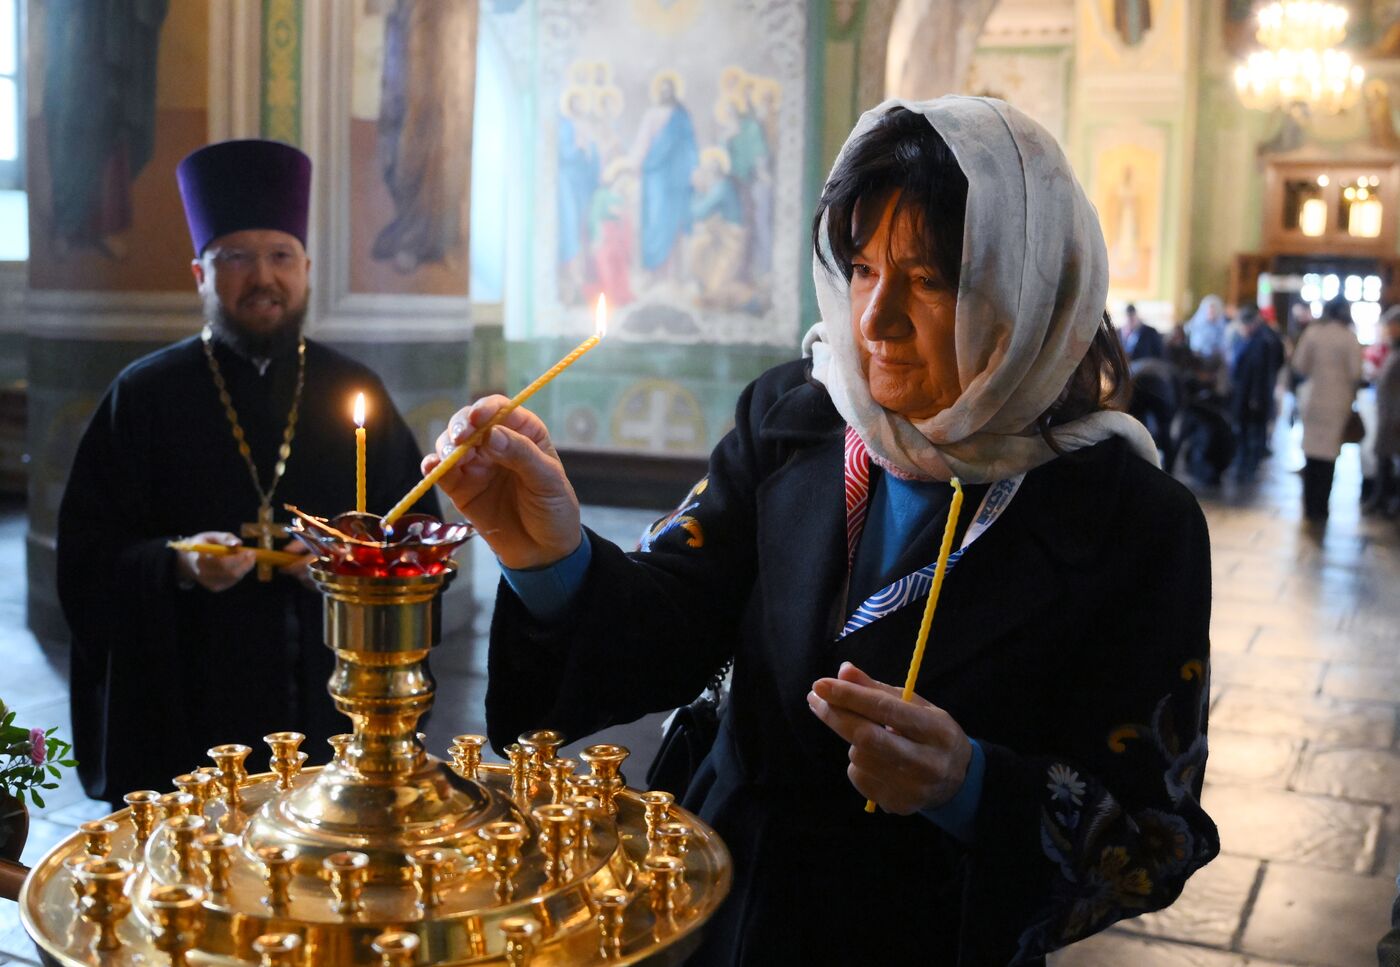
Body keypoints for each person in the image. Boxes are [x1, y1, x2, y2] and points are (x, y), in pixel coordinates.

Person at [429, 99, 1217, 964]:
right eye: (863, 267)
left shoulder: (1130, 522)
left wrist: (970, 784)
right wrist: (547, 551)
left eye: (926, 280)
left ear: (1027, 290)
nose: (874, 320)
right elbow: (672, 621)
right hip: (727, 912)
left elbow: (1152, 835)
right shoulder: (796, 419)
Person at [56, 140, 439, 808]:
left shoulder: (356, 390)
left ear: (308, 269)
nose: (262, 276)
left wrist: (345, 562)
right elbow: (87, 557)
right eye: (235, 257)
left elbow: (418, 537)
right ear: (200, 274)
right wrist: (175, 563)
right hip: (187, 708)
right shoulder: (143, 396)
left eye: (280, 256)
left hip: (327, 704)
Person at [1292, 297, 1363, 523]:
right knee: (1329, 456)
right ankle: (1321, 507)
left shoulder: (1314, 333)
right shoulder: (1349, 338)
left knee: (1312, 454)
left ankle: (1309, 504)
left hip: (1314, 398)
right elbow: (1356, 372)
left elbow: (1299, 364)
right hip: (1338, 401)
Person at [1228, 306, 1285, 482]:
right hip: (1245, 393)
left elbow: (1263, 372)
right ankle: (1244, 465)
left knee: (1253, 432)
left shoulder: (1263, 341)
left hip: (1254, 395)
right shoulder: (1249, 339)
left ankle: (1248, 467)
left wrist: (1255, 397)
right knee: (1245, 430)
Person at [1368, 307, 1400, 516]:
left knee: (1388, 458)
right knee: (1383, 458)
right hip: (1388, 414)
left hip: (1394, 417)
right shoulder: (1394, 350)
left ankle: (1387, 501)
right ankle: (1381, 499)